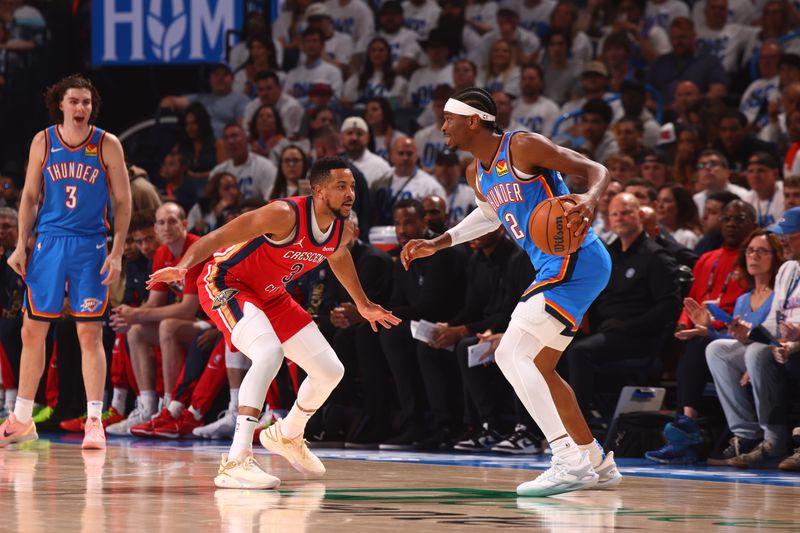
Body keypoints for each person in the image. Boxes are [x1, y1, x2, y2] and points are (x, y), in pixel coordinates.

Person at [401, 87, 621, 496]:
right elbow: (489, 216)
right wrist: (439, 242)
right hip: (559, 266)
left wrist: (590, 200)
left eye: (448, 118)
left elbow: (596, 169)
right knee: (540, 366)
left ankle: (567, 461)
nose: (442, 125)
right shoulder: (475, 173)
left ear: (472, 120)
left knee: (508, 352)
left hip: (575, 256)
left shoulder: (521, 146)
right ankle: (594, 460)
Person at [147, 157, 400, 489]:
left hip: (270, 294)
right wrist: (183, 266)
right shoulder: (284, 214)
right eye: (341, 186)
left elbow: (338, 255)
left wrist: (363, 304)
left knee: (330, 370)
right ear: (319, 190)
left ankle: (288, 434)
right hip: (226, 283)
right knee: (268, 352)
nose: (350, 193)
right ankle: (235, 461)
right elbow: (220, 235)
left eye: (352, 186)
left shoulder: (343, 228)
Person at [0, 74, 132, 449]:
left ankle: (94, 420)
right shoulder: (43, 140)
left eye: (87, 103)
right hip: (49, 244)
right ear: (60, 104)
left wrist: (118, 251)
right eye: (74, 101)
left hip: (90, 244)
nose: (80, 108)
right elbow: (28, 196)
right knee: (32, 330)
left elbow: (123, 202)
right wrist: (21, 245)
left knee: (90, 333)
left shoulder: (107, 144)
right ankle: (22, 417)